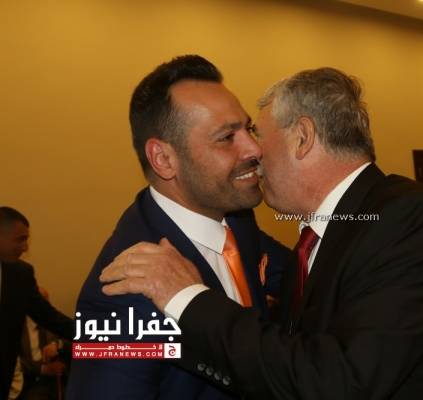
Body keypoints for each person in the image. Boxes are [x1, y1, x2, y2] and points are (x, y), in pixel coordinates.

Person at [100, 67, 423, 399]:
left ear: (303, 137)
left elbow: (340, 381)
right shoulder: (322, 233)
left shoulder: (403, 217)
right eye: (230, 136)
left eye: (256, 132)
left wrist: (187, 297)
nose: (252, 151)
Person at [66, 55, 290, 400]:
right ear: (164, 159)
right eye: (226, 137)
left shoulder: (235, 217)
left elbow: (297, 275)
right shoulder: (121, 296)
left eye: (248, 129)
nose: (254, 148)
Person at [0, 207, 73, 400]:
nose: (25, 247)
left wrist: (95, 333)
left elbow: (49, 317)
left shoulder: (20, 274)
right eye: (20, 239)